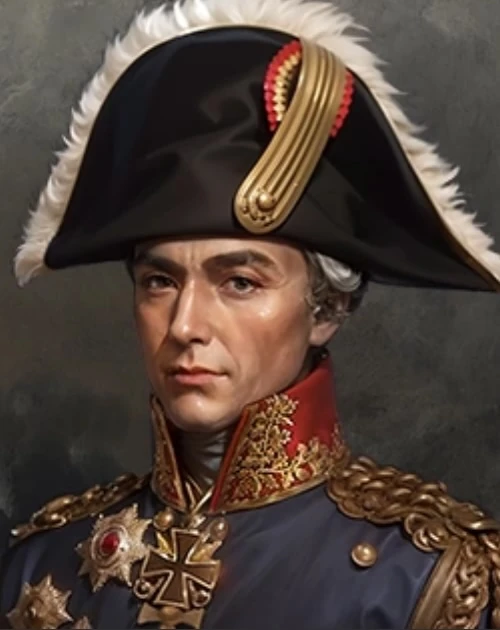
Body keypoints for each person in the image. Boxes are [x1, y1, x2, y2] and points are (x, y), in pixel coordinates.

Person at [1, 0, 500, 627]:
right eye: (159, 281)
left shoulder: (425, 579)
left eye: (239, 282)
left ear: (326, 308)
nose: (185, 325)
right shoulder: (41, 561)